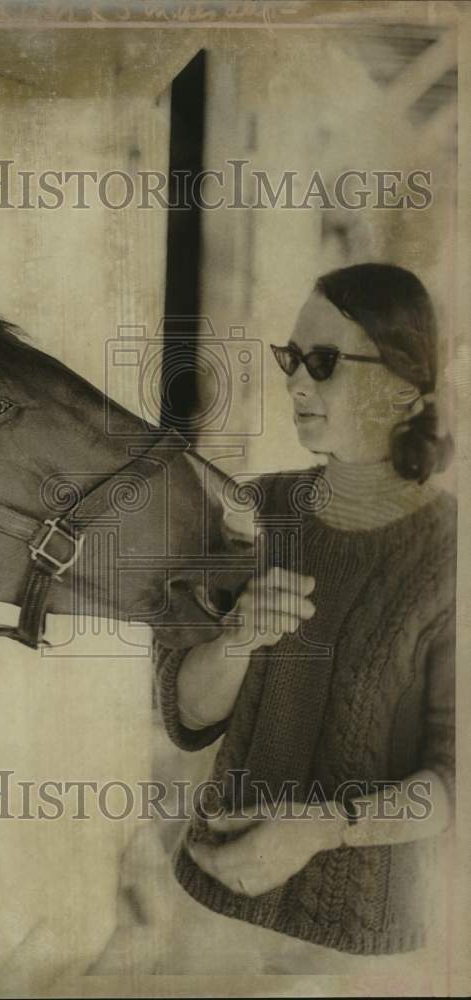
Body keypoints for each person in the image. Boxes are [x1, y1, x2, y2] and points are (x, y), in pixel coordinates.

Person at [155, 263, 456, 967]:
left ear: (405, 392)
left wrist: (321, 829)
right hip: (207, 912)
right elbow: (185, 712)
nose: (294, 382)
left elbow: (454, 784)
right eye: (290, 358)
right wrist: (237, 641)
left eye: (322, 362)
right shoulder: (253, 510)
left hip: (357, 951)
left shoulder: (451, 555)